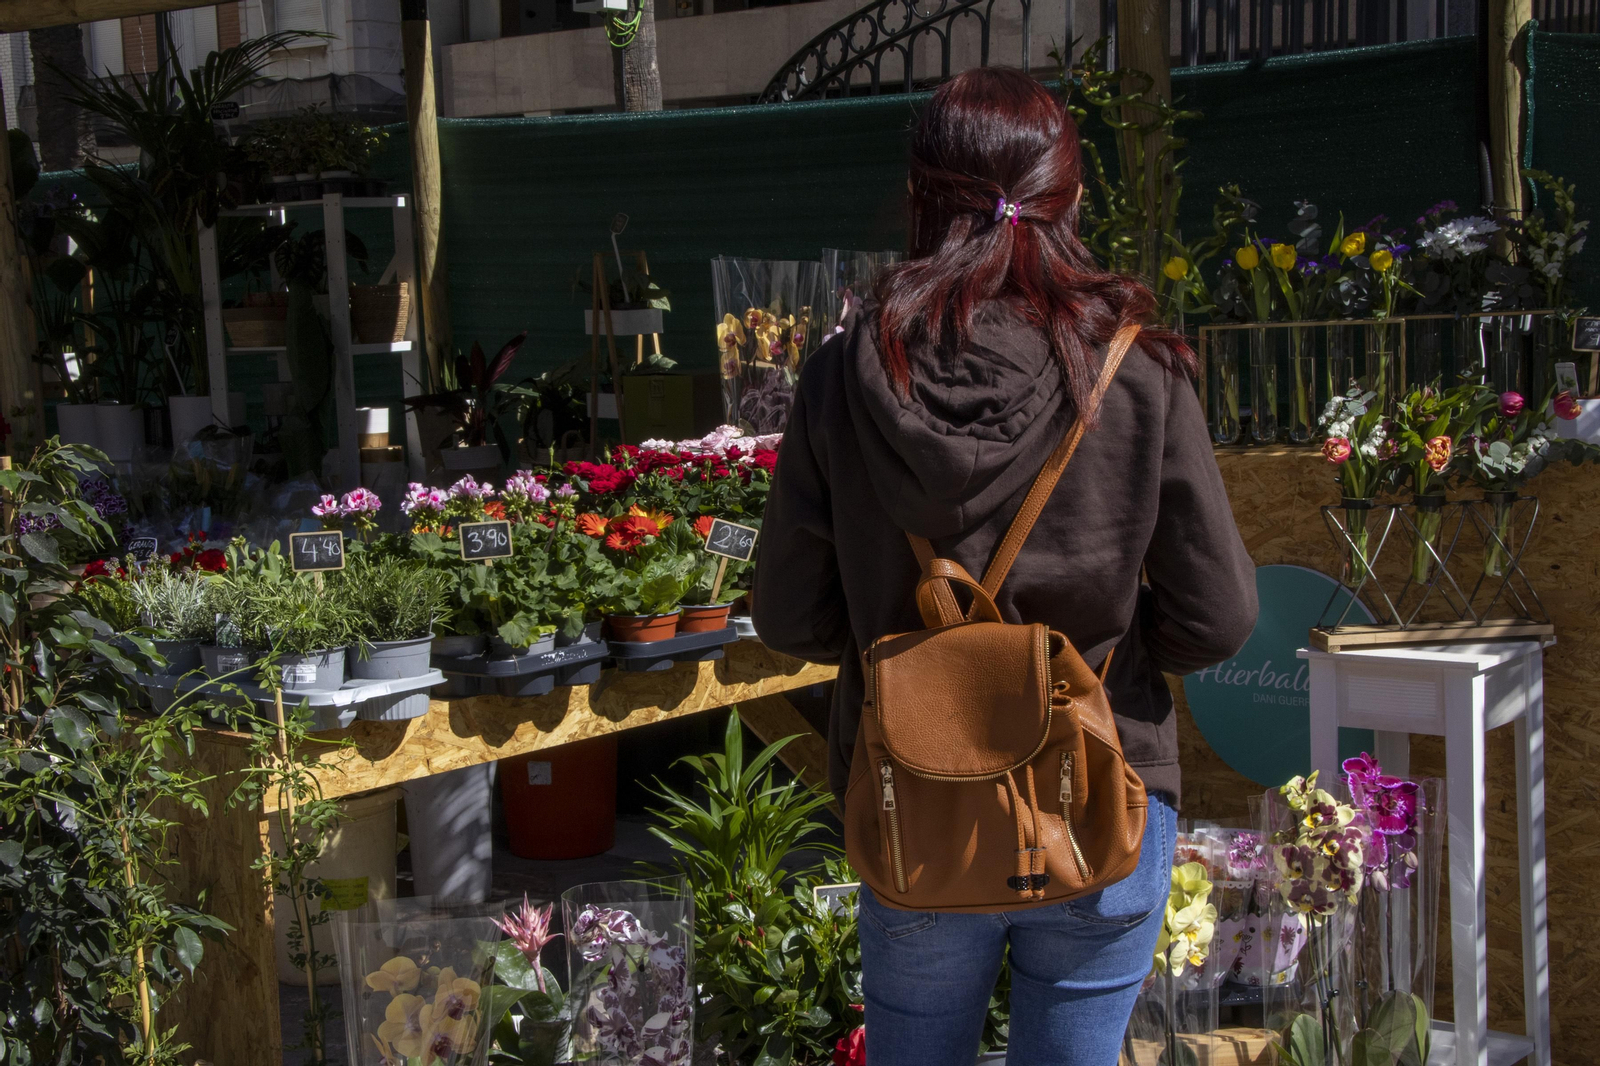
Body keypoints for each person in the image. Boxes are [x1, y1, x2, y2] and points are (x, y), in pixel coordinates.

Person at [752, 67, 1258, 1066]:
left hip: (910, 804)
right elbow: (1221, 614)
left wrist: (907, 655)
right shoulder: (1136, 372)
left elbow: (787, 615)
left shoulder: (841, 378)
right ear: (1068, 203)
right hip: (1099, 789)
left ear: (916, 201)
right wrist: (1088, 664)